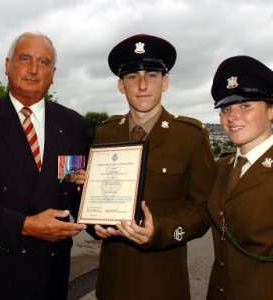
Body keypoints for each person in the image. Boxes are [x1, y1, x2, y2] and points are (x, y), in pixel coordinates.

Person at [0, 31, 88, 300]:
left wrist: (104, 220)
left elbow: (75, 191)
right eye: (25, 58)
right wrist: (24, 224)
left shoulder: (73, 125)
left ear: (53, 73)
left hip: (52, 277)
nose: (34, 70)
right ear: (7, 65)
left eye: (44, 62)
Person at [93, 34, 216, 299]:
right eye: (132, 77)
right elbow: (95, 198)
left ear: (166, 82)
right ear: (120, 85)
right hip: (111, 282)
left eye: (151, 75)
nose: (142, 86)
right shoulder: (106, 133)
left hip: (163, 282)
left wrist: (159, 231)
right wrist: (95, 225)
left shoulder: (191, 136)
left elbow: (203, 210)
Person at [207, 55, 273, 299]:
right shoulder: (222, 167)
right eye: (226, 109)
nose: (232, 117)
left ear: (270, 111)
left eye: (245, 106)